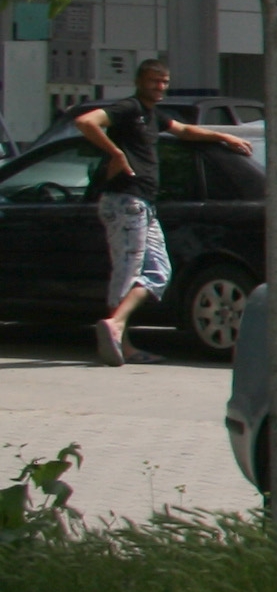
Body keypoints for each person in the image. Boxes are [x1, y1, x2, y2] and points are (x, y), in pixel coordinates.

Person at [68, 55, 247, 363]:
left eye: (164, 81)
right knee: (127, 271)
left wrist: (223, 136)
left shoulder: (155, 115)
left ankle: (117, 327)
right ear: (140, 82)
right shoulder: (130, 108)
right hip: (125, 201)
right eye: (154, 81)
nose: (160, 86)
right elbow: (86, 122)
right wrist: (116, 154)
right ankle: (119, 337)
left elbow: (185, 131)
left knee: (159, 273)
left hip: (144, 205)